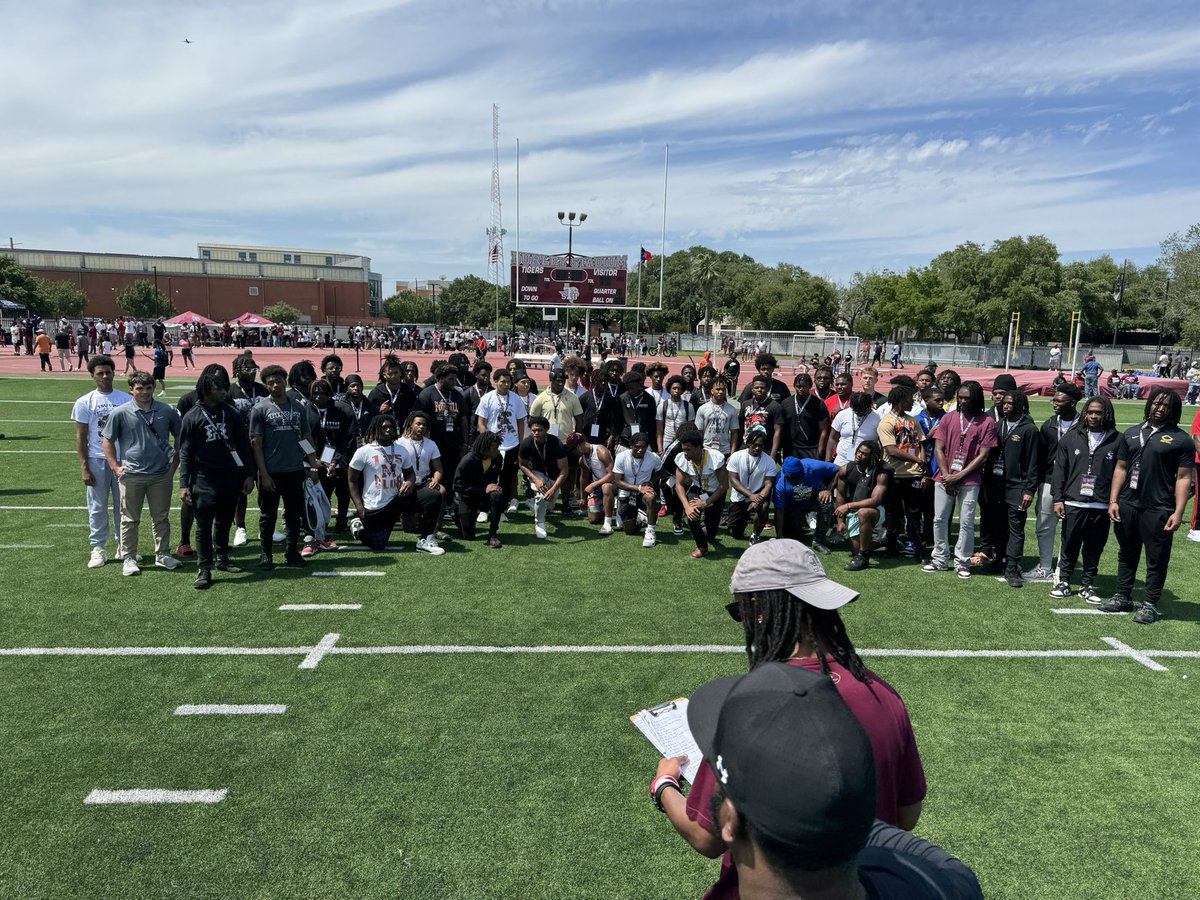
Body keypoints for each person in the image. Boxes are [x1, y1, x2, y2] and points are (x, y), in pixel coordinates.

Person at [652, 540, 957, 900]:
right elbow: (905, 817)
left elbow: (706, 836)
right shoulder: (884, 695)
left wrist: (664, 784)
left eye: (741, 612)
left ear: (761, 612)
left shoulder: (751, 710)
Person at [1098, 388, 1194, 623]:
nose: (1159, 409)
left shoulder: (1181, 439)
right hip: (1128, 504)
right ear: (1149, 404)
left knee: (1157, 558)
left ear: (1173, 410)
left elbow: (1184, 478)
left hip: (1159, 508)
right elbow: (1120, 469)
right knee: (1126, 553)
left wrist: (1178, 512)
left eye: (1165, 406)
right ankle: (1123, 596)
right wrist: (1113, 500)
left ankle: (1150, 604)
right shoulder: (1131, 433)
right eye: (1156, 404)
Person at [177, 372, 256, 589]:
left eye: (224, 388)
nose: (224, 392)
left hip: (231, 476)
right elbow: (185, 452)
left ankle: (223, 558)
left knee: (224, 521)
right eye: (219, 388)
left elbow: (244, 446)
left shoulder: (232, 413)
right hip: (203, 478)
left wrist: (249, 474)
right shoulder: (192, 416)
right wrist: (184, 483)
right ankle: (204, 568)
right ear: (206, 390)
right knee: (203, 525)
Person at [100, 371, 182, 575]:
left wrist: (174, 465)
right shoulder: (120, 412)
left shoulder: (166, 410)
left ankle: (162, 554)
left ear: (153, 388)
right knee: (129, 518)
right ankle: (128, 557)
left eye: (148, 388)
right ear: (131, 390)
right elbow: (107, 439)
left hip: (161, 474)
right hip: (132, 474)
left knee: (161, 517)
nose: (144, 392)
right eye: (139, 388)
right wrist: (115, 466)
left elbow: (180, 436)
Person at [923, 381, 998, 578]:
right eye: (960, 397)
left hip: (970, 480)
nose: (962, 401)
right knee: (939, 519)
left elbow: (983, 455)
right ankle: (939, 558)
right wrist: (947, 474)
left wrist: (959, 475)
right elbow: (938, 448)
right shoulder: (948, 418)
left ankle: (962, 561)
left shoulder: (986, 422)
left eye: (967, 398)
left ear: (976, 398)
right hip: (944, 477)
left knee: (966, 522)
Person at [250, 364, 321, 569]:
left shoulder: (298, 407)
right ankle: (266, 554)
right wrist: (263, 474)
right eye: (270, 382)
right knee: (268, 514)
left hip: (294, 469)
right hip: (271, 471)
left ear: (285, 381)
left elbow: (305, 436)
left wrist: (313, 462)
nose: (275, 385)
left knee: (294, 512)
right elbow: (256, 442)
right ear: (266, 385)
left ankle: (291, 551)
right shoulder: (260, 409)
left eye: (278, 381)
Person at [1050, 398, 1119, 602]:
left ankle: (1087, 585)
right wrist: (1058, 498)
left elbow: (1120, 473)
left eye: (1098, 413)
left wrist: (1114, 501)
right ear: (1085, 414)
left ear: (1106, 414)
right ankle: (1063, 581)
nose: (1094, 416)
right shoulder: (1071, 438)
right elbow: (1060, 471)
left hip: (1101, 504)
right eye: (1090, 412)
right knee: (1069, 544)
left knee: (1094, 547)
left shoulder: (1117, 440)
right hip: (1074, 502)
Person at [72, 355, 132, 569]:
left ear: (114, 373)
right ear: (92, 375)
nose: (105, 376)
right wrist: (84, 466)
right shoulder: (84, 402)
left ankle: (123, 545)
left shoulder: (126, 399)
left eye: (108, 372)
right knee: (97, 506)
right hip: (97, 460)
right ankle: (98, 547)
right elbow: (81, 437)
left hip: (122, 460)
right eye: (100, 373)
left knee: (124, 506)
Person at [348, 414, 431, 553]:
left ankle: (428, 538)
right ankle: (358, 529)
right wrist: (359, 506)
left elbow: (410, 473)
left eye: (391, 427)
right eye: (384, 427)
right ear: (376, 429)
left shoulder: (401, 449)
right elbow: (352, 480)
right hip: (375, 505)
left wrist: (410, 483)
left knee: (433, 495)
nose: (388, 430)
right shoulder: (364, 451)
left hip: (397, 499)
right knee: (378, 545)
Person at [1025, 384, 1083, 582]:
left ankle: (1063, 568)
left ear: (1073, 402)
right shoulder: (1049, 424)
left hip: (1076, 483)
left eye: (1060, 401)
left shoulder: (1084, 425)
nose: (1055, 404)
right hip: (1050, 481)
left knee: (1071, 528)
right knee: (1044, 525)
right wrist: (1035, 484)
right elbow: (1040, 458)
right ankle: (1045, 566)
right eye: (1054, 400)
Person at [992, 391, 1041, 588]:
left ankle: (1012, 567)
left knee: (1016, 528)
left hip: (1017, 487)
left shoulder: (1029, 430)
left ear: (1020, 405)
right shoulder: (998, 425)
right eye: (1004, 403)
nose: (1005, 406)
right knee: (998, 525)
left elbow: (1034, 464)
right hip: (997, 485)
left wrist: (1029, 490)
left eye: (1009, 403)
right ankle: (1000, 559)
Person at [306, 378, 358, 555]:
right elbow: (301, 438)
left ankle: (342, 520)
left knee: (343, 492)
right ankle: (320, 528)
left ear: (330, 394)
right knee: (320, 496)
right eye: (316, 393)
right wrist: (314, 460)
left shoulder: (343, 410)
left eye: (322, 392)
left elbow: (348, 439)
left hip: (340, 460)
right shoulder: (306, 411)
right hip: (315, 462)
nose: (319, 396)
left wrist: (336, 461)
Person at [877, 383, 925, 558]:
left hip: (913, 474)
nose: (913, 402)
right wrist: (917, 460)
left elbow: (920, 444)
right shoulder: (886, 422)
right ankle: (891, 545)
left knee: (914, 513)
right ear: (899, 401)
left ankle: (919, 548)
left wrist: (922, 466)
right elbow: (891, 450)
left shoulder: (913, 420)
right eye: (909, 399)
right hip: (894, 474)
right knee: (893, 513)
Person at [671, 424, 728, 558]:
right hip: (697, 488)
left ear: (698, 447)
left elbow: (724, 486)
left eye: (688, 450)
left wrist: (706, 502)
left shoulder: (715, 458)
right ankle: (702, 547)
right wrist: (686, 507)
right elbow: (678, 485)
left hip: (715, 492)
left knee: (711, 532)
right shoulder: (681, 458)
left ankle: (707, 532)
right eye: (683, 449)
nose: (685, 453)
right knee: (692, 513)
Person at [476, 368, 527, 516]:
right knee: (488, 477)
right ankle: (484, 509)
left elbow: (520, 422)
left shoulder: (516, 398)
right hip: (492, 447)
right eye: (502, 381)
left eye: (508, 382)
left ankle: (501, 509)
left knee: (507, 478)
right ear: (495, 381)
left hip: (511, 445)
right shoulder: (487, 398)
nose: (506, 384)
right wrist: (487, 441)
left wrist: (520, 442)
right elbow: (481, 423)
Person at [834, 440, 891, 571]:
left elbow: (876, 500)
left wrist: (848, 506)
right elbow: (840, 496)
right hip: (853, 509)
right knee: (856, 549)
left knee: (863, 513)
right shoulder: (846, 469)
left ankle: (864, 557)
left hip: (877, 511)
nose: (859, 455)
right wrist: (840, 521)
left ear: (873, 456)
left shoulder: (881, 471)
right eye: (858, 451)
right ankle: (883, 541)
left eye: (864, 454)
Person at [517, 416, 569, 540]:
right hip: (537, 473)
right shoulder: (526, 443)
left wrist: (554, 489)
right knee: (541, 496)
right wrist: (535, 479)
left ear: (546, 430)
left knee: (549, 505)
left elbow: (564, 470)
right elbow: (522, 465)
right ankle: (539, 523)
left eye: (539, 430)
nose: (536, 433)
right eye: (533, 430)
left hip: (553, 475)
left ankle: (532, 504)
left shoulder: (556, 443)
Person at [452, 431, 506, 548]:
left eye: (498, 447)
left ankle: (492, 534)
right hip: (468, 497)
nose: (497, 450)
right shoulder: (468, 460)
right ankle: (457, 512)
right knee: (468, 536)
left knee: (497, 495)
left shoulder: (497, 459)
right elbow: (457, 485)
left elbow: (493, 480)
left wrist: (494, 487)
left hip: (485, 496)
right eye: (494, 448)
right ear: (485, 447)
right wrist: (482, 490)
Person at [725, 425, 778, 544]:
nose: (758, 448)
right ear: (748, 443)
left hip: (758, 496)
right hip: (740, 496)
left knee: (764, 506)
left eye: (761, 445)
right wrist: (750, 495)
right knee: (735, 533)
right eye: (755, 445)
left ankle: (755, 534)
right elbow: (733, 480)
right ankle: (737, 520)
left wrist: (757, 498)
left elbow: (769, 484)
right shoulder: (736, 456)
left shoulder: (769, 461)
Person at [612, 431, 663, 547]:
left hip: (644, 494)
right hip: (627, 493)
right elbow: (618, 481)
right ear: (631, 446)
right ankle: (642, 516)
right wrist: (639, 487)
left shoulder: (653, 457)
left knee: (650, 497)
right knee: (628, 530)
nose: (640, 450)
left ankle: (650, 531)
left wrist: (651, 482)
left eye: (643, 447)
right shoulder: (621, 457)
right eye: (637, 447)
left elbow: (661, 471)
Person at [565, 431, 617, 534]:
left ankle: (607, 524)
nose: (573, 453)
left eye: (573, 449)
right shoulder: (582, 459)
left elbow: (612, 474)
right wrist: (583, 498)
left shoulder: (600, 451)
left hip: (613, 484)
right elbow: (583, 477)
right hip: (598, 487)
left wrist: (593, 485)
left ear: (579, 445)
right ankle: (605, 507)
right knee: (593, 519)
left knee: (606, 487)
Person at [777, 373, 830, 462]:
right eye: (798, 386)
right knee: (791, 474)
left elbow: (824, 430)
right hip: (791, 448)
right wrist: (779, 449)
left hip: (812, 448)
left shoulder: (818, 404)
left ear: (810, 386)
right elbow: (781, 428)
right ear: (794, 386)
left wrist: (820, 451)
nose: (801, 389)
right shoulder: (786, 403)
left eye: (804, 386)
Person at [527, 368, 583, 441]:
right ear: (551, 380)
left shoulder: (572, 397)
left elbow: (579, 419)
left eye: (563, 381)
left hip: (566, 442)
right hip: (546, 441)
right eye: (558, 381)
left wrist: (576, 436)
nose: (561, 383)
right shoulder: (540, 398)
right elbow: (532, 420)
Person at [827, 392, 880, 467]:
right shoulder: (842, 414)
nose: (859, 413)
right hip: (842, 460)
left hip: (865, 463)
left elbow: (882, 442)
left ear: (869, 406)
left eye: (862, 410)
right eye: (856, 410)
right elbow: (833, 438)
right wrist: (828, 461)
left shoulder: (878, 418)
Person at [740, 375, 782, 460]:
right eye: (756, 387)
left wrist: (773, 454)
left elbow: (778, 431)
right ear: (752, 389)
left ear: (767, 389)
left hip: (765, 450)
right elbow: (740, 428)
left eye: (762, 387)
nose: (759, 390)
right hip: (746, 448)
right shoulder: (746, 404)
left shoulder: (775, 406)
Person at [695, 376, 740, 456]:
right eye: (718, 389)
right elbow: (699, 432)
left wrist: (732, 453)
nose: (721, 392)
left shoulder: (731, 410)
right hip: (706, 449)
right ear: (711, 390)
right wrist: (699, 450)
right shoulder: (702, 409)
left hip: (724, 451)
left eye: (723, 389)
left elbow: (734, 433)